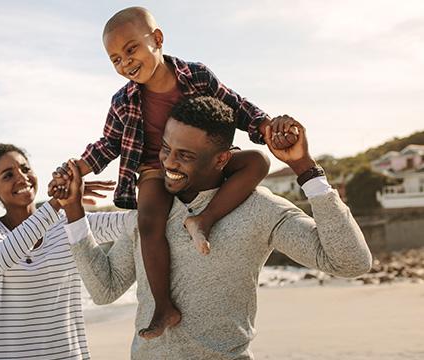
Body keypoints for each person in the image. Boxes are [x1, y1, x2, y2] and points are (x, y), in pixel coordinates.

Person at [54, 96, 372, 359]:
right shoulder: (153, 211)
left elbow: (351, 262)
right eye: (165, 149)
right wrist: (74, 212)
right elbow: (105, 289)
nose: (168, 163)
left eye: (185, 155)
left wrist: (304, 168)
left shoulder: (258, 208)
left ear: (222, 159)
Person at [51, 6, 297, 339]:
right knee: (149, 220)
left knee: (257, 163)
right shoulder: (123, 101)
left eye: (130, 49)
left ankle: (204, 220)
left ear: (157, 39)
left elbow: (236, 106)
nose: (125, 63)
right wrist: (77, 167)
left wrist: (266, 126)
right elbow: (108, 144)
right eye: (115, 60)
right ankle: (164, 308)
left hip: (202, 163)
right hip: (155, 168)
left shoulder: (197, 76)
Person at [0, 136, 127, 360]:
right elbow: (1, 258)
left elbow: (134, 224)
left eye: (25, 169)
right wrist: (57, 202)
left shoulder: (70, 221)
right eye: (8, 175)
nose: (22, 178)